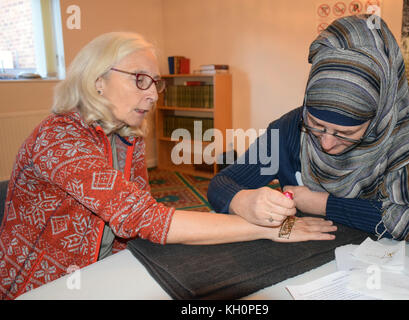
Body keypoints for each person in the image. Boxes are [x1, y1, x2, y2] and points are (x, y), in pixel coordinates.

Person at [0, 32, 337, 300]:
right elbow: (143, 218)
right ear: (96, 80)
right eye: (139, 79)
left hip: (103, 270)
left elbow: (143, 218)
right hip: (42, 284)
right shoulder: (59, 136)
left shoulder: (127, 138)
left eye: (155, 82)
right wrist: (268, 229)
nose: (154, 95)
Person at [208, 15, 409, 249]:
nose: (325, 143)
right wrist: (242, 201)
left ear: (377, 118)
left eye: (345, 132)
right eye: (315, 124)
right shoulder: (291, 128)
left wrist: (323, 204)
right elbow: (221, 184)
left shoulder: (408, 129)